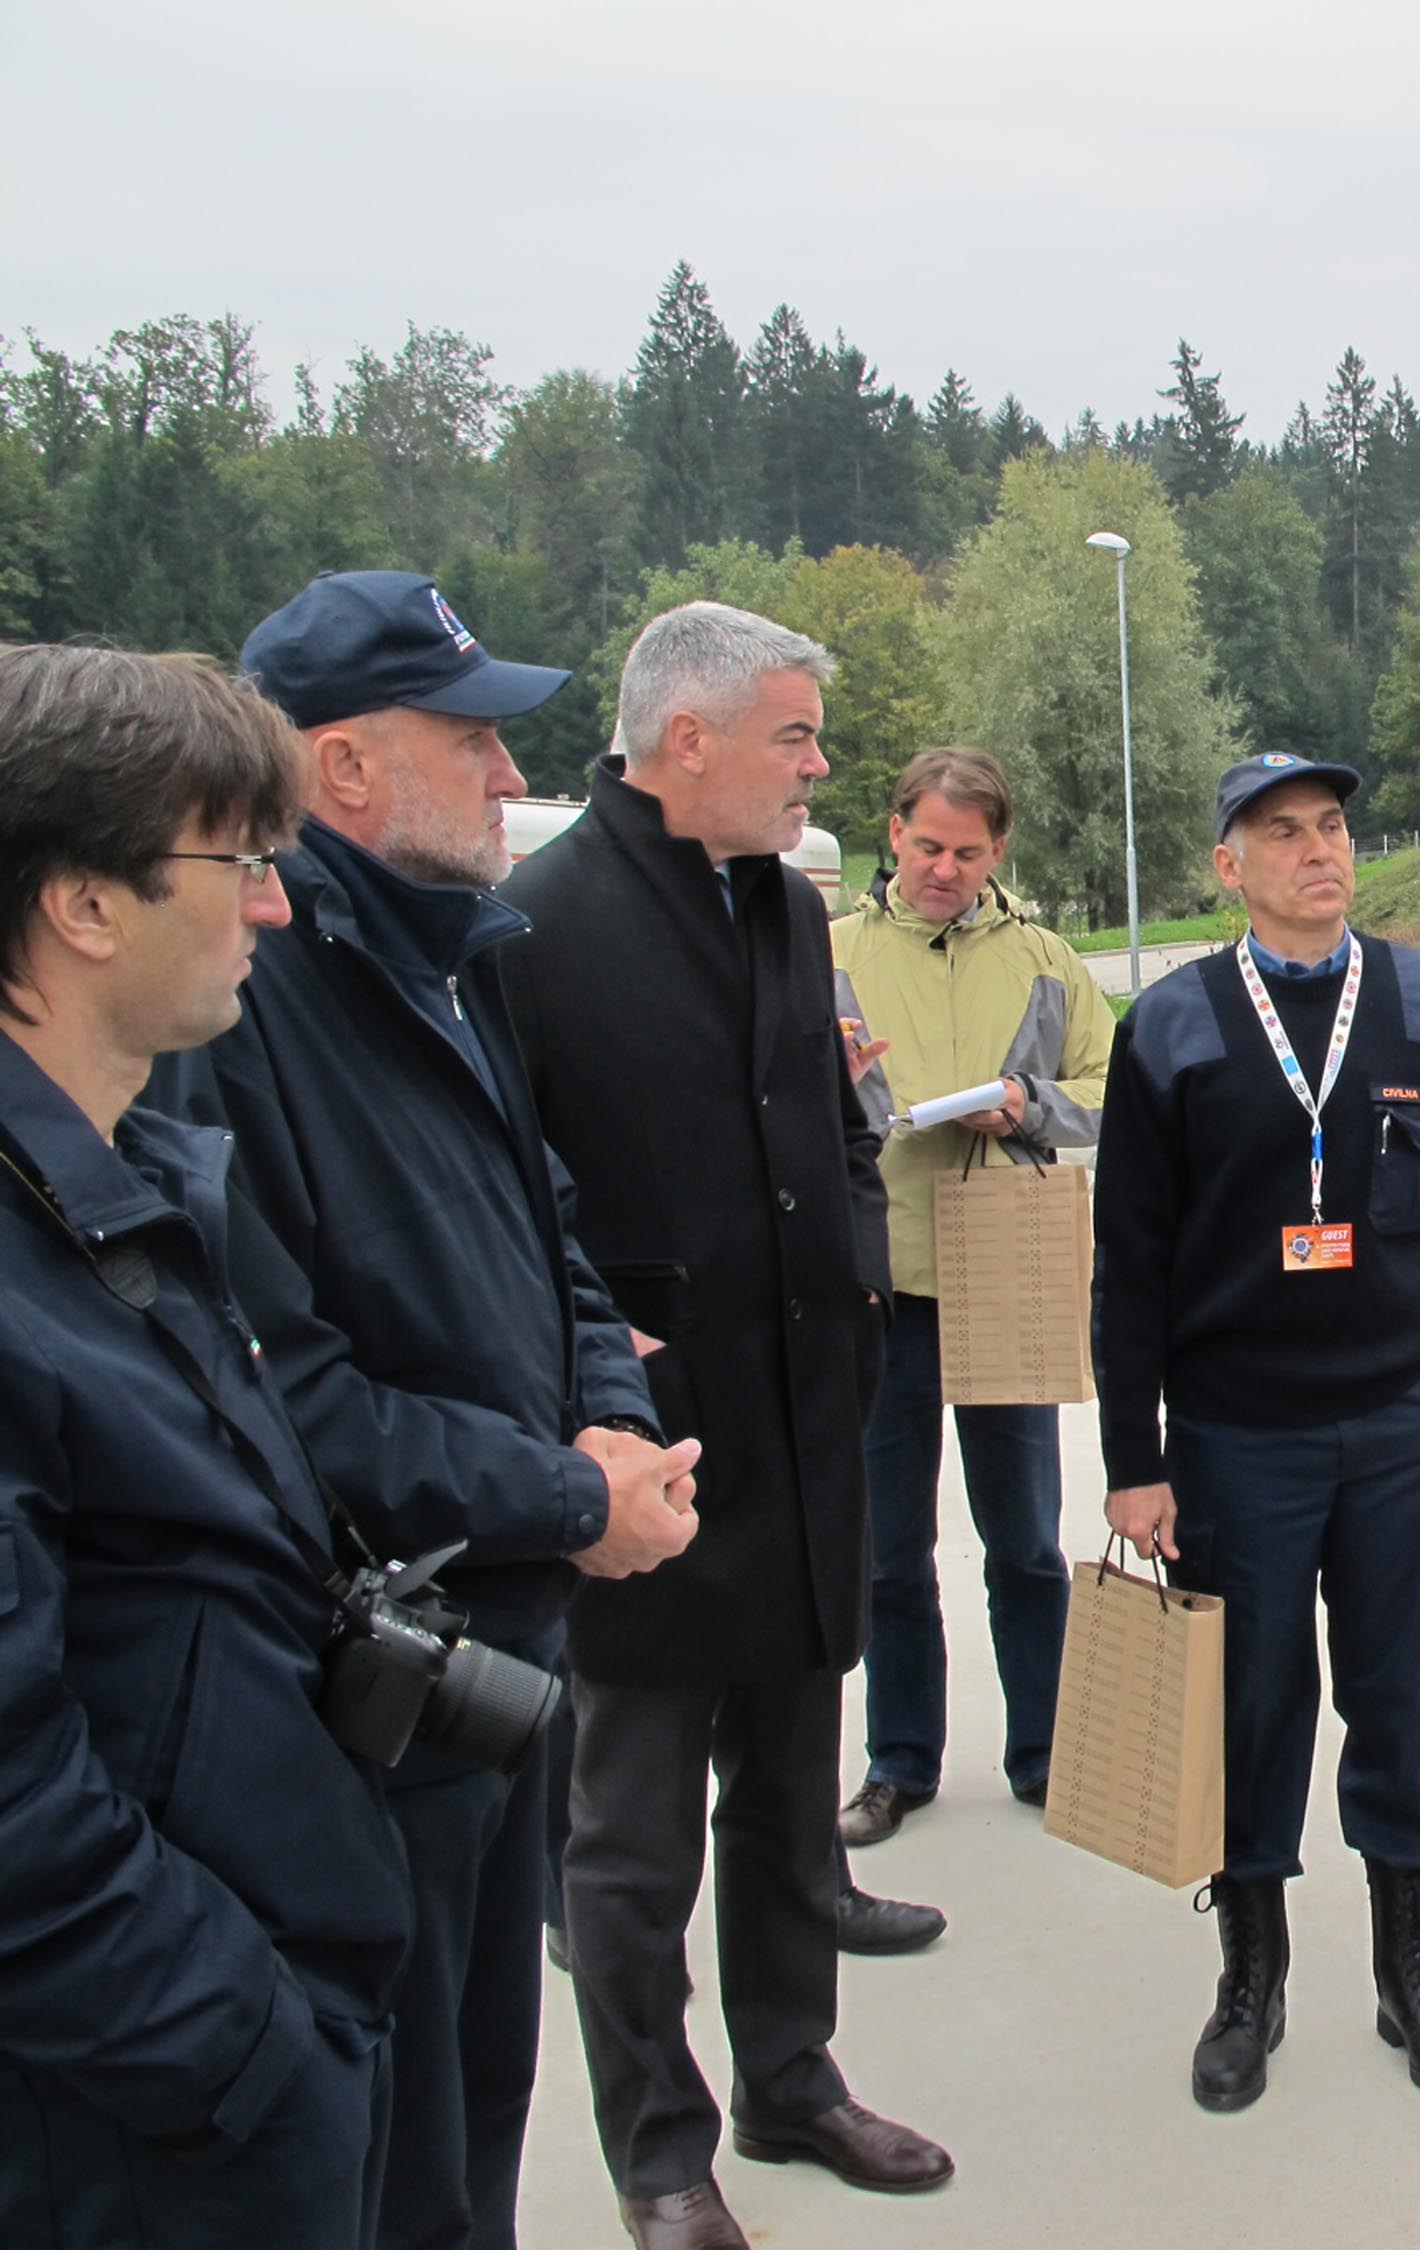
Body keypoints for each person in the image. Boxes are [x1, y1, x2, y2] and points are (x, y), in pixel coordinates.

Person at [142, 569, 704, 2250]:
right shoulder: (232, 1012)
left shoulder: (443, 965)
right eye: (469, 743)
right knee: (397, 2161)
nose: (511, 780)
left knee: (477, 2121)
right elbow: (281, 1393)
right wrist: (567, 1496)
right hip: (368, 1699)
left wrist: (601, 1423)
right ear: (343, 773)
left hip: (497, 1656)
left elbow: (552, 1233)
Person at [497, 603, 953, 2250]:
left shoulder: (780, 905)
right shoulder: (535, 931)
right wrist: (586, 1379)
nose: (819, 767)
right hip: (653, 1458)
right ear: (686, 740)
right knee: (627, 1844)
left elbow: (832, 1119)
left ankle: (793, 2081)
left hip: (803, 1422)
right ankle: (658, 2154)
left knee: (784, 1795)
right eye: (795, 737)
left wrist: (846, 1265)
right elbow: (513, 1196)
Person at [0, 645, 411, 2249]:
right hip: (142, 2123)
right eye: (236, 861)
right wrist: (254, 2054)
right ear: (84, 905)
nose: (274, 905)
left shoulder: (125, 1188)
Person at [1096, 753, 1420, 2114]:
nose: (1316, 850)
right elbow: (1130, 1257)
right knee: (1253, 1704)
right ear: (1229, 866)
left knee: (1400, 1698)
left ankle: (1412, 1969)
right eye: (1280, 833)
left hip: (1404, 1427)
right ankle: (1252, 1973)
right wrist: (1134, 1456)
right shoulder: (1172, 1025)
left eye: (1332, 826)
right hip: (1240, 1435)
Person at [830, 747, 1110, 1847]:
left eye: (969, 851)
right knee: (890, 1549)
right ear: (893, 833)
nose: (945, 868)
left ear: (999, 852)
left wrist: (1026, 1105)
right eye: (928, 845)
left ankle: (1041, 1754)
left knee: (1025, 1543)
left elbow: (1104, 1090)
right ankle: (900, 1763)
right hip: (881, 1278)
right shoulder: (830, 956)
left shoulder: (1045, 961)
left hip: (1005, 1264)